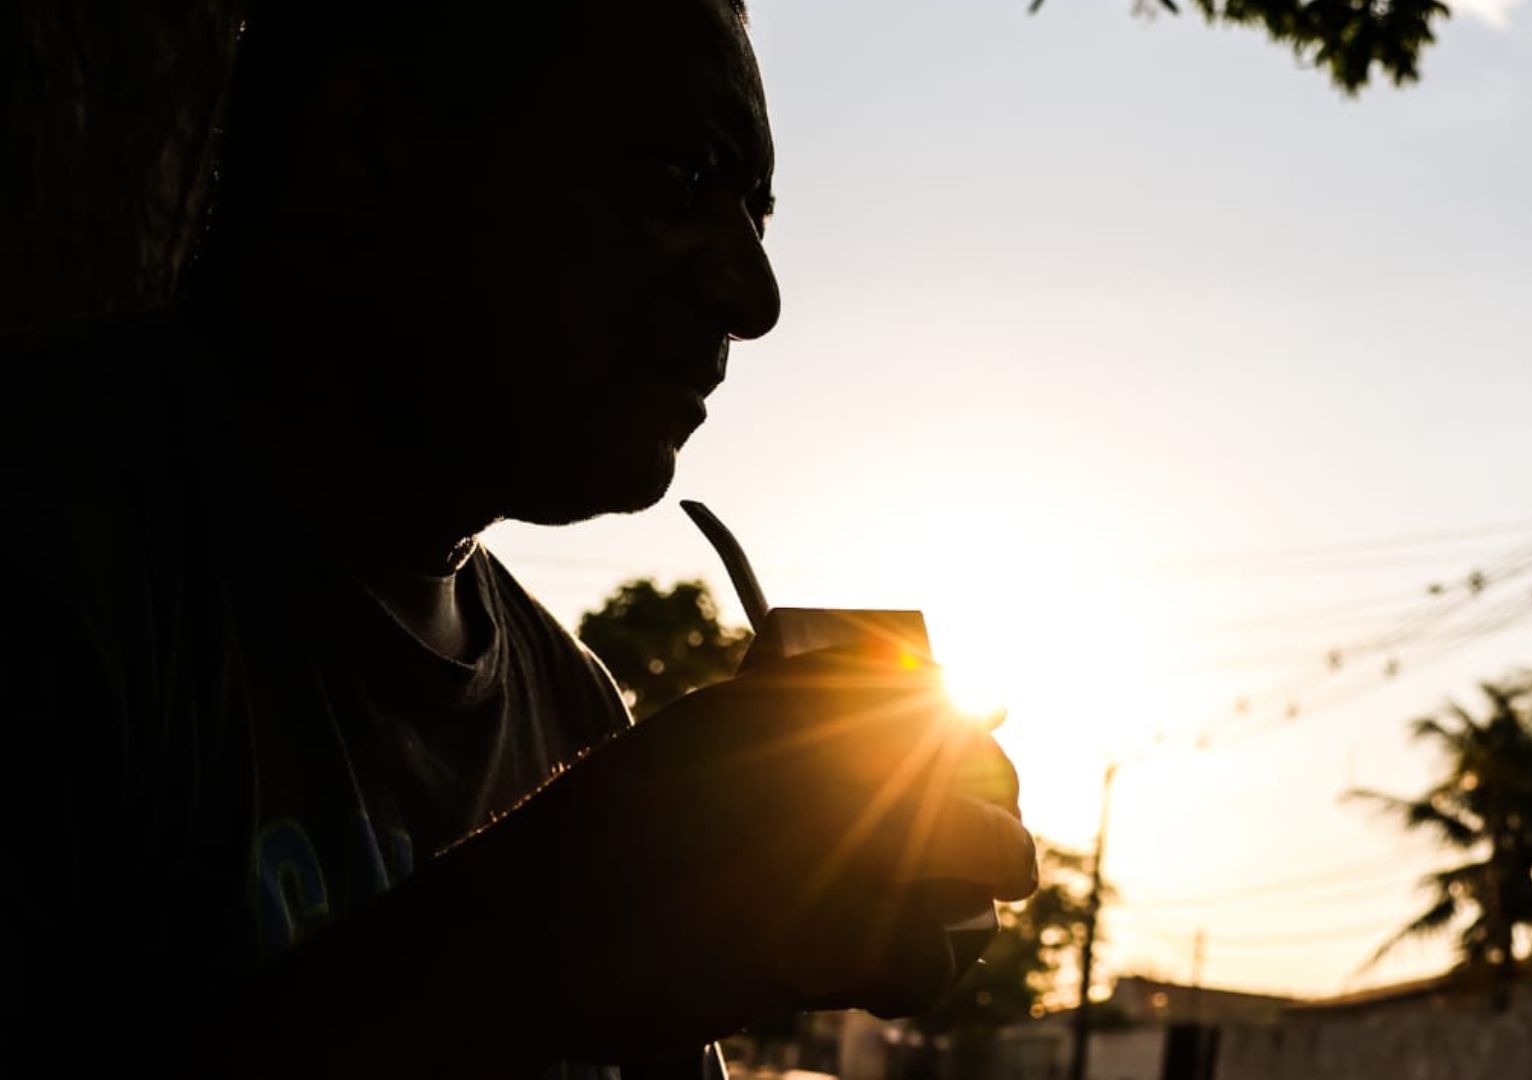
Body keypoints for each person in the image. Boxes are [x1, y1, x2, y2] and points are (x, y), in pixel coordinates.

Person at [0, 1, 1037, 1076]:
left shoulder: (573, 706)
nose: (752, 296)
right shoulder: (48, 546)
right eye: (684, 180)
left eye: (757, 216)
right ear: (370, 145)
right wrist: (559, 923)